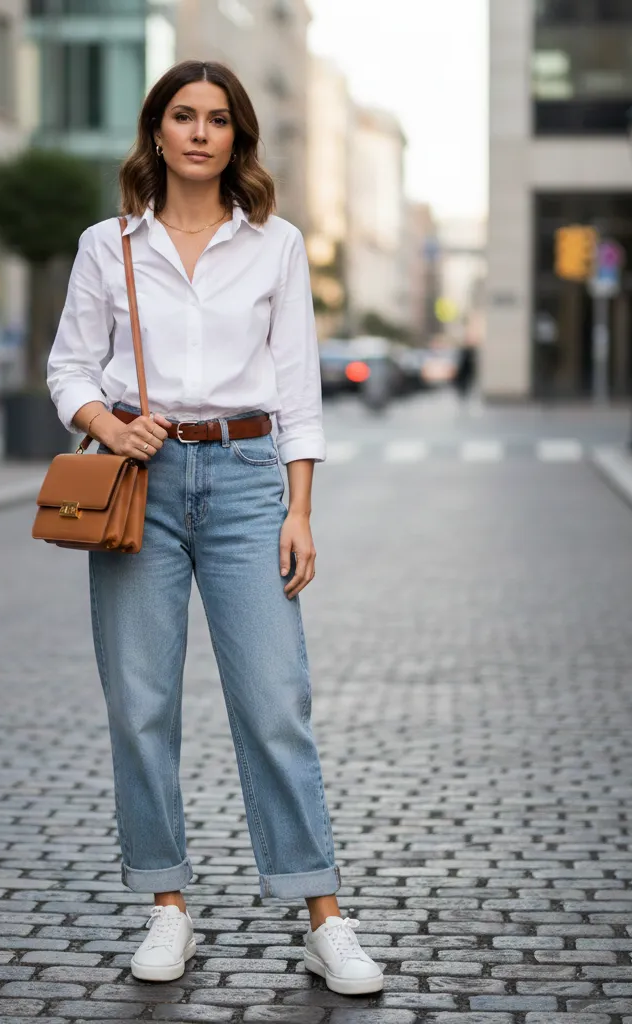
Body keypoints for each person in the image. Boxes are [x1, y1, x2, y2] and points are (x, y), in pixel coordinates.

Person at [45, 60, 383, 997]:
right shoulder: (105, 246)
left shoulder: (275, 247)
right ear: (157, 131)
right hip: (137, 485)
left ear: (238, 139)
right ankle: (166, 906)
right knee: (141, 703)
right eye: (183, 116)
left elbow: (297, 389)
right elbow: (69, 368)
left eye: (219, 119)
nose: (200, 132)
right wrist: (110, 423)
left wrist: (300, 510)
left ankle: (323, 915)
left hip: (244, 481)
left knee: (277, 703)